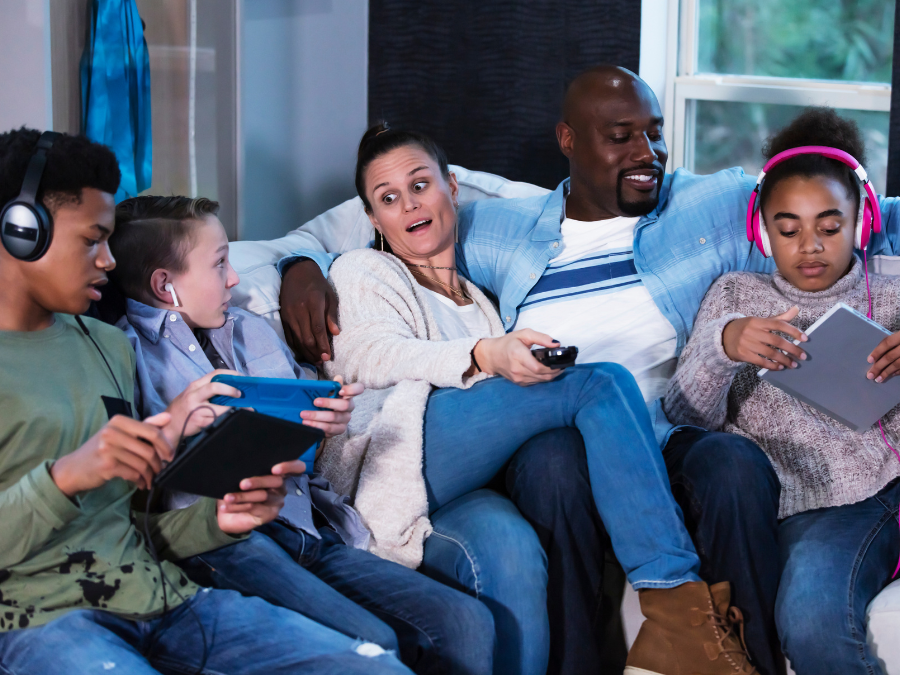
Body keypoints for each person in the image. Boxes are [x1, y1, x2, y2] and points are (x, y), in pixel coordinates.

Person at [274, 65, 900, 675]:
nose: (646, 150)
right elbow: (361, 233)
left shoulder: (714, 205)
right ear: (569, 140)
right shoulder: (495, 230)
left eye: (654, 131)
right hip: (552, 433)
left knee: (734, 465)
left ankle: (740, 662)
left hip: (668, 428)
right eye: (620, 135)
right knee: (556, 462)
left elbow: (851, 206)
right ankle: (646, 626)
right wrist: (298, 263)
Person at [313, 122, 759, 675]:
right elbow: (370, 355)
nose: (409, 205)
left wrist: (491, 343)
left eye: (420, 184)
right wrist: (484, 355)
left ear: (451, 187)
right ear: (374, 218)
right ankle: (674, 605)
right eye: (388, 198)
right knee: (599, 381)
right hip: (396, 458)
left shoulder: (485, 296)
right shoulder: (364, 270)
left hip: (459, 485)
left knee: (514, 553)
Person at [0, 128, 416, 675]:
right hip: (41, 623)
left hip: (165, 601)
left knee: (377, 667)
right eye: (89, 241)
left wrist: (220, 521)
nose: (106, 262)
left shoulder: (103, 346)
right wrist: (67, 477)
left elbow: (127, 528)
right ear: (21, 232)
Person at [110, 195, 496, 675]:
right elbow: (122, 488)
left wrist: (326, 425)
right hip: (226, 542)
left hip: (305, 527)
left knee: (466, 621)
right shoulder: (124, 354)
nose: (234, 279)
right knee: (371, 639)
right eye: (218, 265)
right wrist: (175, 422)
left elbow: (305, 435)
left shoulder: (250, 328)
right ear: (166, 285)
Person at [665, 108, 900, 675]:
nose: (810, 246)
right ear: (762, 232)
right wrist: (725, 346)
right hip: (785, 504)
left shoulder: (895, 287)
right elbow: (683, 415)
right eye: (789, 229)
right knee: (800, 617)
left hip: (876, 489)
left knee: (813, 616)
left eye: (830, 226)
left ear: (861, 223)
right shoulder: (734, 296)